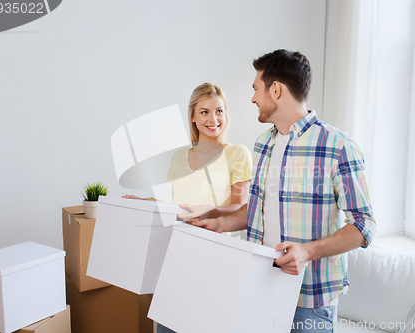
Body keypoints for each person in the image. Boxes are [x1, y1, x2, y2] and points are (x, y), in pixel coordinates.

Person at [180, 50, 377, 333]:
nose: (252, 98)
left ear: (275, 89)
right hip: (259, 287)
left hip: (309, 301)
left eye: (256, 89)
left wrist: (306, 252)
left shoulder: (338, 146)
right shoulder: (263, 144)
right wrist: (220, 223)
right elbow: (257, 210)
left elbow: (365, 225)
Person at [124, 83, 252, 333]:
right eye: (204, 111)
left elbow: (240, 206)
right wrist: (144, 204)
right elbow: (172, 206)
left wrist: (210, 210)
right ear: (193, 116)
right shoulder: (178, 157)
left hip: (217, 258)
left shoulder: (238, 153)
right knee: (168, 326)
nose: (213, 119)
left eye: (219, 111)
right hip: (176, 253)